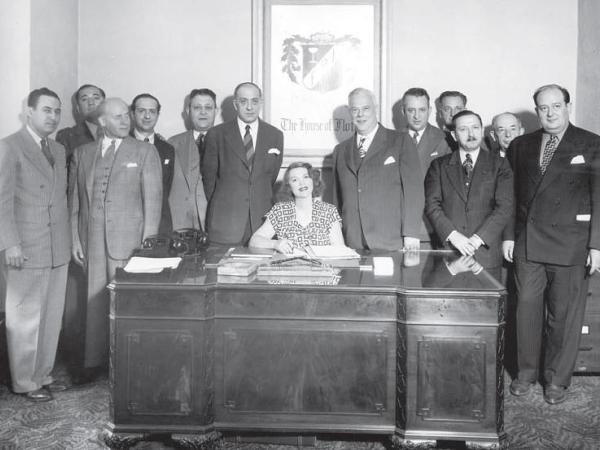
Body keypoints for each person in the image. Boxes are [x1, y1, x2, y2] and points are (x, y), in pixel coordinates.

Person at [504, 84, 600, 405]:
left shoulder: (591, 143)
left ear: (567, 106)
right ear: (537, 111)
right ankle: (526, 373)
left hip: (571, 243)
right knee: (527, 309)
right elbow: (509, 197)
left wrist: (596, 246)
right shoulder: (520, 145)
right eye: (543, 108)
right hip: (528, 243)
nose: (550, 113)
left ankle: (556, 379)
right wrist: (508, 236)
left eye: (556, 106)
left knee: (563, 314)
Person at [70, 97, 162, 374]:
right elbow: (74, 202)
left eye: (126, 116)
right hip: (92, 240)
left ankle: (128, 367)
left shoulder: (144, 152)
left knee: (126, 304)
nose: (126, 121)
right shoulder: (83, 153)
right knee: (93, 304)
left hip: (130, 243)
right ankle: (93, 363)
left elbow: (153, 202)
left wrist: (147, 245)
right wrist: (76, 239)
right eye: (119, 117)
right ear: (102, 121)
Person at [0, 88, 71, 401]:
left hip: (57, 247)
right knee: (25, 319)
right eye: (46, 110)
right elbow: (1, 201)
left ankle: (43, 374)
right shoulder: (9, 147)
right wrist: (10, 244)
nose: (53, 116)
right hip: (25, 248)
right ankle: (25, 381)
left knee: (51, 318)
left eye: (56, 111)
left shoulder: (57, 149)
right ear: (28, 111)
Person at [332, 87, 423, 251]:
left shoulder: (400, 141)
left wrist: (411, 234)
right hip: (352, 241)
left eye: (365, 108)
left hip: (391, 240)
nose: (360, 115)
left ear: (376, 109)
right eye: (355, 110)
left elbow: (414, 191)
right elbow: (336, 199)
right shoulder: (340, 150)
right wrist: (337, 238)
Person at [424, 110, 513, 272]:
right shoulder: (438, 166)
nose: (471, 134)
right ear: (454, 135)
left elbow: (504, 207)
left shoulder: (500, 165)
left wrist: (477, 239)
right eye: (463, 129)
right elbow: (432, 205)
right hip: (450, 253)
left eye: (475, 128)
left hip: (486, 255)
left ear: (482, 130)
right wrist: (453, 236)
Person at [202, 82, 284, 245]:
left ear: (260, 103)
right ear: (235, 104)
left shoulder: (275, 135)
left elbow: (271, 176)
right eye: (243, 101)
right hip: (226, 222)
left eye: (254, 101)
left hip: (261, 223)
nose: (249, 107)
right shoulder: (216, 134)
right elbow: (209, 179)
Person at [398, 87, 451, 246]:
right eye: (411, 110)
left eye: (421, 110)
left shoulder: (444, 140)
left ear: (430, 110)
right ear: (403, 111)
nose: (416, 116)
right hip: (398, 226)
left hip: (431, 226)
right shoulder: (392, 140)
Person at [250, 162, 344, 252]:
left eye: (306, 177)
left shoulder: (329, 211)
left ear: (313, 181)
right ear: (289, 186)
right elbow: (254, 240)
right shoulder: (280, 211)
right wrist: (275, 244)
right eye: (295, 180)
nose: (301, 183)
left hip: (322, 267)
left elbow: (340, 250)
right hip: (289, 267)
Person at [168, 88, 215, 231]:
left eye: (208, 107)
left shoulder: (227, 141)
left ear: (215, 111)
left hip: (215, 222)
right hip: (181, 223)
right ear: (188, 111)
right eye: (197, 108)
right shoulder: (172, 143)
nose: (203, 112)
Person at [131, 93, 175, 234]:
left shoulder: (167, 149)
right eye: (141, 111)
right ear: (132, 114)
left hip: (160, 224)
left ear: (158, 115)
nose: (147, 116)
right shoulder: (122, 145)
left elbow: (166, 187)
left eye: (152, 111)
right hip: (129, 224)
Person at [56, 84, 106, 165]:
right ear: (78, 109)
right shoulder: (67, 136)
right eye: (84, 99)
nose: (91, 103)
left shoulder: (119, 132)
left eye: (96, 98)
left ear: (105, 104)